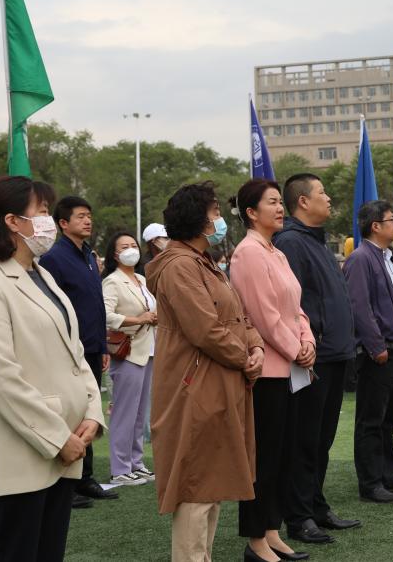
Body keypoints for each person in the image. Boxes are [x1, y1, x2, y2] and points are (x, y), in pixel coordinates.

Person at [0, 176, 106, 561]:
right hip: (19, 457)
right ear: (12, 221)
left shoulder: (43, 275)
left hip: (63, 451)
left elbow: (75, 354)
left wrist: (92, 412)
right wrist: (59, 438)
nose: (48, 222)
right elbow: (0, 378)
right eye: (41, 211)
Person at [145, 181, 265, 562]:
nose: (220, 219)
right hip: (196, 386)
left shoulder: (206, 262)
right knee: (196, 487)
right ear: (197, 219)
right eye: (214, 212)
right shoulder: (180, 265)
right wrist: (245, 357)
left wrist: (257, 347)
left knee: (211, 487)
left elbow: (239, 316)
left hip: (220, 380)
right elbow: (205, 330)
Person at [273, 173, 361, 544]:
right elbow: (291, 303)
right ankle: (299, 516)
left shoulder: (316, 241)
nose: (329, 198)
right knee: (305, 440)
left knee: (321, 439)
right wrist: (310, 341)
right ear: (303, 201)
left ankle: (316, 505)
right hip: (313, 356)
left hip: (334, 352)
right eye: (322, 192)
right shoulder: (291, 242)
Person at [230, 179, 315, 562]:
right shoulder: (247, 253)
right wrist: (297, 350)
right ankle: (255, 539)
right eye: (272, 203)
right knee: (263, 459)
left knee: (283, 456)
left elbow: (295, 308)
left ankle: (271, 531)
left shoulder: (276, 252)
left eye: (281, 202)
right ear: (251, 212)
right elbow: (262, 316)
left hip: (292, 367)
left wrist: (308, 341)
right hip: (268, 372)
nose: (280, 208)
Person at [39, 196, 117, 507]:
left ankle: (85, 478)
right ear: (63, 223)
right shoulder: (54, 258)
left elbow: (94, 303)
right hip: (69, 348)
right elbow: (53, 306)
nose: (88, 221)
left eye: (89, 216)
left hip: (92, 346)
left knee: (90, 410)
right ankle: (66, 483)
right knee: (71, 411)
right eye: (81, 216)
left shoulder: (88, 255)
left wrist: (102, 344)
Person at [343, 200, 393, 502]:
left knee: (390, 418)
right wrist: (376, 345)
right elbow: (359, 306)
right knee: (371, 419)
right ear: (375, 226)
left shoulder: (387, 258)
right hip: (381, 351)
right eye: (392, 220)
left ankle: (388, 474)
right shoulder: (361, 258)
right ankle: (371, 482)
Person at [101, 232, 157, 486]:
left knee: (139, 413)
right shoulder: (112, 281)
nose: (131, 249)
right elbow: (106, 315)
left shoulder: (141, 279)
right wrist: (138, 319)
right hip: (128, 352)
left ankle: (136, 462)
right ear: (114, 254)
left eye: (133, 245)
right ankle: (120, 468)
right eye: (124, 246)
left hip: (148, 350)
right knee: (124, 412)